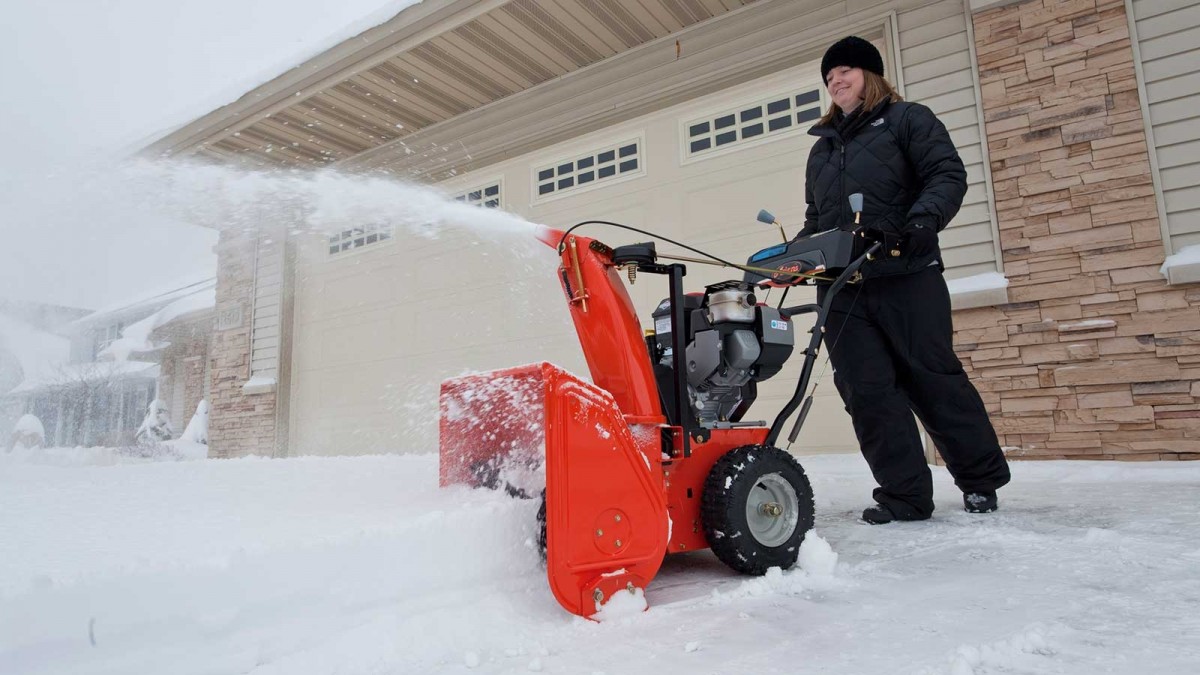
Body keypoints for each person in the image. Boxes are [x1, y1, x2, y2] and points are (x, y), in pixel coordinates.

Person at [798, 36, 1011, 524]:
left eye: (845, 71)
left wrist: (923, 222)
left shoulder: (908, 119)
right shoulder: (823, 150)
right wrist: (796, 259)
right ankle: (905, 495)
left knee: (932, 379)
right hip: (843, 284)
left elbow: (945, 174)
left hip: (907, 272)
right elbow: (817, 216)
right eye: (829, 78)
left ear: (870, 75)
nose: (836, 82)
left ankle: (980, 481)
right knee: (865, 389)